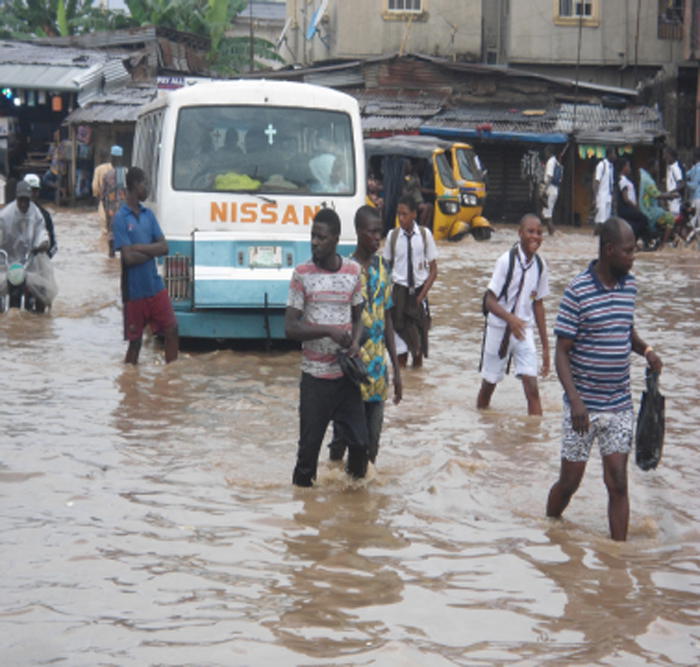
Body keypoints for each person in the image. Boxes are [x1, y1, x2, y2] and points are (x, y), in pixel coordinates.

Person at [546, 217, 663, 541]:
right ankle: (549, 525)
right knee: (570, 483)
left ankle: (618, 559)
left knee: (618, 482)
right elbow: (561, 353)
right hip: (582, 408)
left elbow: (625, 330)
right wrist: (576, 402)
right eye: (628, 251)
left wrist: (647, 351)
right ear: (609, 251)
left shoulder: (630, 286)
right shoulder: (577, 291)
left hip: (619, 404)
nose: (633, 257)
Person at [285, 208, 369, 487]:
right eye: (312, 236)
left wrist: (355, 342)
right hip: (315, 381)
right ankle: (305, 516)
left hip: (345, 378)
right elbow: (291, 328)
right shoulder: (301, 275)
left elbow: (359, 316)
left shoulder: (353, 272)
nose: (314, 243)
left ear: (335, 238)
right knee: (307, 458)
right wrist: (330, 331)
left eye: (321, 237)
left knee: (360, 445)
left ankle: (352, 510)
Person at [327, 206, 402, 466]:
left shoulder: (385, 268)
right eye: (372, 232)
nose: (377, 238)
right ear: (359, 233)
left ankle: (362, 496)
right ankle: (334, 480)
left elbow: (388, 318)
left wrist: (397, 370)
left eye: (379, 232)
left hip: (378, 372)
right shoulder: (345, 270)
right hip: (350, 371)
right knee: (342, 440)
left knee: (372, 444)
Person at [476, 213, 550, 416]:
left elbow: (539, 305)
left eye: (539, 233)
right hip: (499, 330)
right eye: (530, 231)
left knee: (532, 387)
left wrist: (545, 347)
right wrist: (510, 319)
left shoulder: (540, 266)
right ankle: (482, 421)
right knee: (489, 384)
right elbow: (489, 301)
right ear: (520, 234)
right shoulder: (505, 262)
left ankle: (534, 439)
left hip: (524, 331)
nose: (535, 237)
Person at [112, 167, 178, 365]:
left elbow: (165, 247)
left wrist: (139, 247)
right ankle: (129, 385)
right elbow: (128, 259)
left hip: (154, 286)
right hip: (134, 292)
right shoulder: (120, 218)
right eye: (144, 184)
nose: (147, 188)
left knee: (172, 330)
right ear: (133, 186)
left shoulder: (149, 215)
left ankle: (170, 377)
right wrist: (151, 250)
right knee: (135, 343)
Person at [382, 195, 438, 369]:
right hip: (398, 295)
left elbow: (434, 270)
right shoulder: (392, 236)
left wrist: (421, 297)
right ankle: (404, 387)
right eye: (398, 214)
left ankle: (416, 386)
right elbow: (385, 269)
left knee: (418, 351)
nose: (400, 218)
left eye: (404, 214)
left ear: (414, 214)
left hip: (418, 295)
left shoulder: (424, 235)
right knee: (400, 352)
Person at [0, 181, 54, 311]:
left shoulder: (37, 214)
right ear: (16, 198)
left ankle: (39, 321)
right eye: (21, 200)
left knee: (42, 290)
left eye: (26, 200)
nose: (23, 204)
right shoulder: (5, 215)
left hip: (29, 261)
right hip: (7, 261)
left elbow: (41, 232)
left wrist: (43, 244)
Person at [638, 163, 675, 249]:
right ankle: (663, 244)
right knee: (670, 218)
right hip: (649, 210)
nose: (657, 169)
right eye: (656, 167)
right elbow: (656, 195)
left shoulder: (646, 178)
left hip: (648, 208)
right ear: (652, 167)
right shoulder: (648, 181)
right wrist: (670, 196)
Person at [102, 145, 128, 258]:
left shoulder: (107, 175)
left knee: (111, 233)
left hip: (111, 211)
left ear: (112, 158)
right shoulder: (127, 173)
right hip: (124, 209)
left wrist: (106, 209)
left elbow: (103, 196)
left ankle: (111, 255)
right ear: (121, 158)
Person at [24, 173, 57, 258]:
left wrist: (46, 256)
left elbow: (53, 245)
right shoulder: (13, 213)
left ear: (38, 192)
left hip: (37, 262)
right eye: (29, 190)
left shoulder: (45, 215)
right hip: (16, 262)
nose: (32, 193)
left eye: (35, 190)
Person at [616, 160, 649, 244]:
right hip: (626, 209)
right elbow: (626, 198)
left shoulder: (624, 179)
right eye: (628, 166)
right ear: (623, 168)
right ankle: (633, 239)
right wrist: (635, 206)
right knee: (644, 219)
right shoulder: (622, 180)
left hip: (626, 208)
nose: (629, 168)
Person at [593, 148, 616, 232]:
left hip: (608, 197)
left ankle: (599, 237)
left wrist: (612, 197)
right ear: (609, 154)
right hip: (601, 196)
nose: (615, 156)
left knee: (606, 221)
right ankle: (596, 237)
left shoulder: (611, 167)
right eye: (614, 154)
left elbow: (611, 184)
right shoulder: (601, 165)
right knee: (600, 221)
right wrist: (595, 198)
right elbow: (596, 182)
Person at [541, 145, 562, 235]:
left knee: (547, 215)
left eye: (546, 152)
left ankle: (552, 233)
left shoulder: (550, 162)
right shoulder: (556, 162)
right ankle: (551, 234)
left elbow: (549, 177)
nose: (545, 154)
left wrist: (544, 190)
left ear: (548, 152)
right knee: (546, 213)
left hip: (550, 189)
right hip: (555, 190)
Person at [92, 149, 112, 231]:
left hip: (104, 200)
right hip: (118, 202)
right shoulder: (121, 169)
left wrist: (96, 194)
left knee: (104, 230)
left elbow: (95, 186)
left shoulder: (98, 169)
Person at [663, 146, 685, 218]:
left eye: (665, 155)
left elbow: (682, 184)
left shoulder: (676, 167)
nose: (664, 157)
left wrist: (669, 193)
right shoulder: (670, 167)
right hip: (671, 201)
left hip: (676, 202)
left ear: (670, 155)